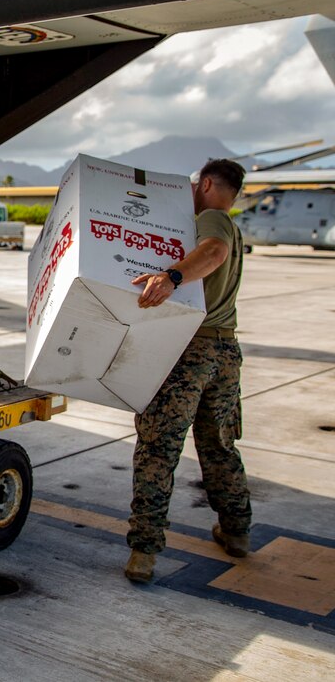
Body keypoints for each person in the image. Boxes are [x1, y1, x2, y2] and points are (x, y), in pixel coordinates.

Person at [124, 158, 251, 584]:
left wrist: (171, 277)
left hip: (192, 352)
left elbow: (213, 253)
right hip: (225, 352)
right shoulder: (232, 224)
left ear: (208, 183)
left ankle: (144, 552)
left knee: (158, 447)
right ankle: (237, 533)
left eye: (197, 184)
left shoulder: (213, 218)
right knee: (219, 446)